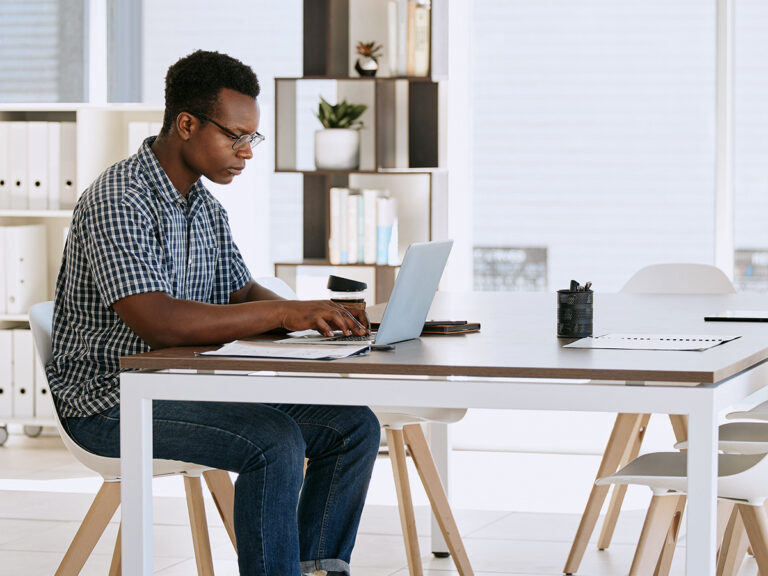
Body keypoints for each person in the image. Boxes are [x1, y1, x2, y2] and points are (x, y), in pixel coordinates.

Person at [47, 49, 381, 576]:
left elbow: (239, 292)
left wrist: (324, 319)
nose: (247, 152)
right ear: (186, 124)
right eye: (236, 136)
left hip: (183, 388)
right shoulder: (118, 199)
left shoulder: (204, 206)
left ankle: (315, 570)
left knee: (353, 428)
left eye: (253, 138)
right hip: (111, 403)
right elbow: (159, 322)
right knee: (273, 441)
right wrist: (290, 312)